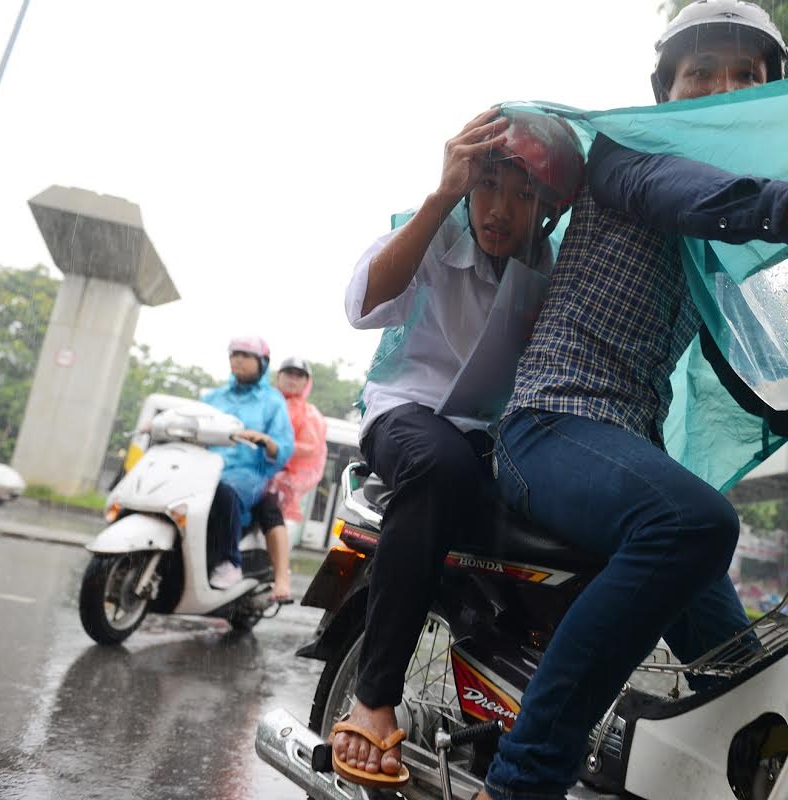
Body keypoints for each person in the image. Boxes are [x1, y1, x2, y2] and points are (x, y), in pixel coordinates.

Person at [479, 3, 788, 798]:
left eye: (744, 77)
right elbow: (672, 189)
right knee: (695, 523)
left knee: (746, 683)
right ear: (663, 91)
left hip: (621, 451)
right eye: (700, 74)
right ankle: (521, 781)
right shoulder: (626, 154)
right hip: (546, 429)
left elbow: (732, 353)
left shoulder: (707, 228)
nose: (720, 91)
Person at [329, 108, 586, 788]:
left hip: (494, 442)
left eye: (525, 194)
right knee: (440, 467)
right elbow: (362, 303)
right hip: (407, 416)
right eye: (488, 185)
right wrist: (440, 197)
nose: (501, 210)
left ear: (550, 209)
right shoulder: (435, 232)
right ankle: (373, 697)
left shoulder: (552, 269)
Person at [201, 336, 296, 589]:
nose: (238, 360)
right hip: (205, 467)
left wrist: (266, 440)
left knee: (224, 491)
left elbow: (285, 447)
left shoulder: (272, 401)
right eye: (234, 354)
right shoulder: (214, 397)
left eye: (245, 355)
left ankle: (228, 562)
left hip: (248, 473)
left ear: (262, 363)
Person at [249, 356, 328, 602]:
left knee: (268, 508)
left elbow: (310, 447)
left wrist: (275, 446)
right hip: (244, 470)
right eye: (288, 373)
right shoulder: (260, 400)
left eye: (299, 375)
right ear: (278, 376)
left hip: (279, 479)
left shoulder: (309, 415)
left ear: (306, 382)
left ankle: (281, 578)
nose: (293, 379)